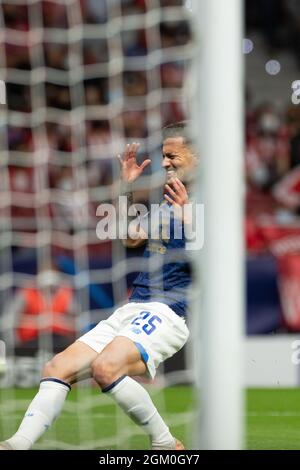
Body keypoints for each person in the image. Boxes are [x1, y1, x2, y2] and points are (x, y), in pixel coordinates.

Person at [0, 121, 197, 450]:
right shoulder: (167, 202)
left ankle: (166, 445)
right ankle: (16, 445)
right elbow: (130, 237)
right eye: (163, 156)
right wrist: (126, 190)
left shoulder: (214, 202)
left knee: (106, 368)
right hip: (134, 308)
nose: (164, 163)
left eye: (172, 156)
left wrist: (190, 217)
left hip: (169, 312)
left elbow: (220, 260)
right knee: (56, 367)